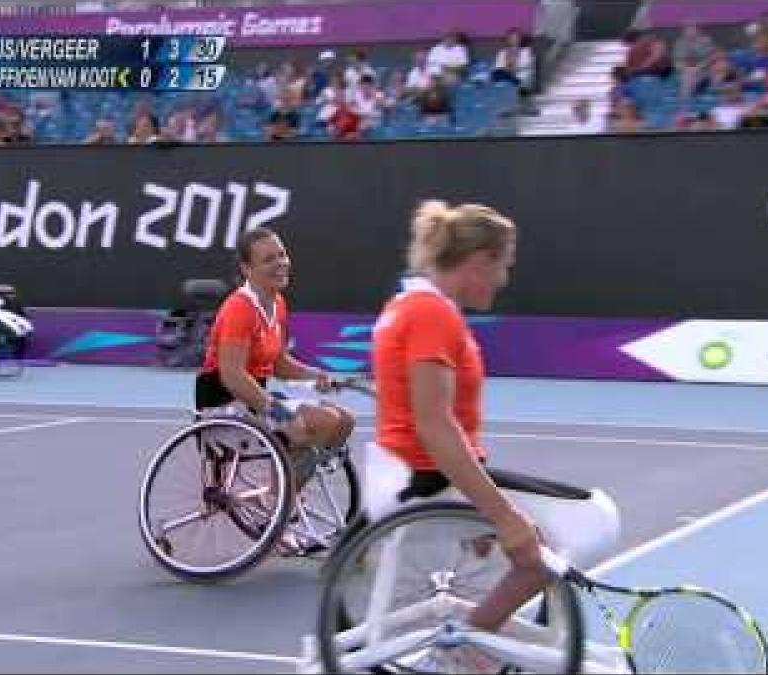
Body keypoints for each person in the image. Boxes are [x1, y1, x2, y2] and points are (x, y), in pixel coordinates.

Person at [370, 200, 543, 631]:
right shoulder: (432, 315)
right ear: (480, 262)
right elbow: (435, 426)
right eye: (503, 266)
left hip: (409, 469)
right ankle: (465, 652)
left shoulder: (407, 304)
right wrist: (501, 515)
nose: (504, 279)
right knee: (547, 554)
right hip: (428, 479)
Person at [196, 227, 357, 547]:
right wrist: (279, 412)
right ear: (247, 269)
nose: (281, 263)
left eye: (282, 254)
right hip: (226, 403)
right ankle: (278, 505)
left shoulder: (277, 303)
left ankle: (282, 495)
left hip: (256, 397)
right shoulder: (240, 308)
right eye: (269, 259)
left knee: (344, 420)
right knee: (322, 422)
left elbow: (280, 363)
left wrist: (317, 376)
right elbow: (231, 374)